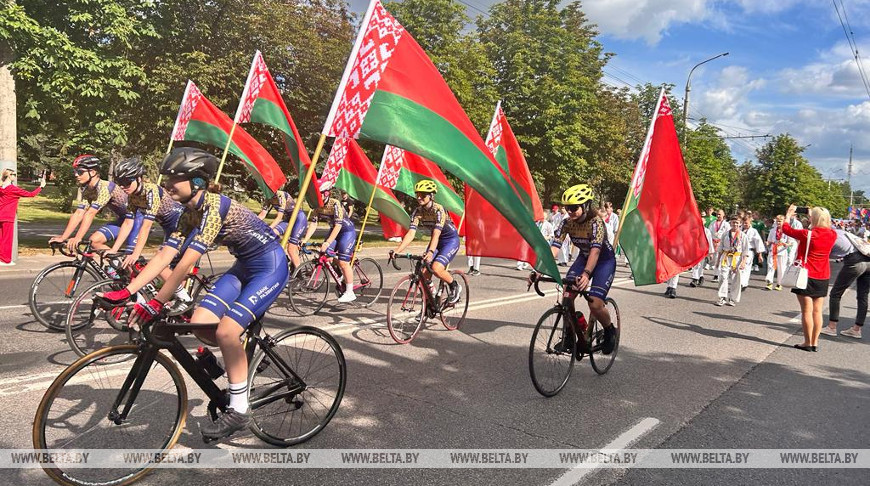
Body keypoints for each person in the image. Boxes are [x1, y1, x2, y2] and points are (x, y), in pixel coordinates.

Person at [97, 148, 289, 440]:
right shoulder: (189, 212)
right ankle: (238, 359)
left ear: (197, 182)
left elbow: (186, 263)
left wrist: (157, 302)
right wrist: (127, 291)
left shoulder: (214, 207)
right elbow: (165, 256)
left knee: (226, 332)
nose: (167, 185)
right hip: (244, 266)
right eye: (166, 179)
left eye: (175, 179)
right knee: (201, 323)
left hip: (270, 266)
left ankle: (239, 410)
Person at [548, 184, 616, 354]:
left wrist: (586, 274)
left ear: (585, 205)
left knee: (594, 303)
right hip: (584, 258)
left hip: (603, 262)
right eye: (567, 208)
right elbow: (555, 247)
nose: (569, 211)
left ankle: (610, 331)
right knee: (567, 294)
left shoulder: (596, 223)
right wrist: (540, 269)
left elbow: (595, 251)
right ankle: (570, 335)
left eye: (573, 207)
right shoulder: (567, 223)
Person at [391, 180, 462, 304]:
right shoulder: (418, 212)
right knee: (424, 273)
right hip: (436, 242)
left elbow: (436, 233)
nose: (419, 197)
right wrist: (398, 250)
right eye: (417, 194)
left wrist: (430, 252)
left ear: (431, 196)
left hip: (449, 241)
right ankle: (431, 301)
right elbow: (411, 233)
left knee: (436, 268)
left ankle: (454, 286)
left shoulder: (438, 209)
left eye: (423, 195)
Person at [49, 155, 135, 254]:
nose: (76, 175)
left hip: (136, 220)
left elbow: (90, 213)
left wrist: (78, 238)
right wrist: (63, 237)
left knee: (130, 259)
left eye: (80, 172)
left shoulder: (106, 188)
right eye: (75, 172)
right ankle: (115, 266)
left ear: (93, 172)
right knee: (94, 241)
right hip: (123, 220)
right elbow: (79, 213)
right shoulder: (88, 190)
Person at [781, 205, 837, 352]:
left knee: (806, 311)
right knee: (817, 311)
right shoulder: (832, 234)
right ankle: (815, 342)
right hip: (823, 275)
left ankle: (807, 342)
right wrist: (814, 215)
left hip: (806, 274)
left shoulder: (808, 234)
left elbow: (786, 229)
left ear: (814, 219)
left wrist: (788, 215)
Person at [302, 181, 358, 303]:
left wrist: (327, 242)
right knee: (326, 256)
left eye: (319, 194)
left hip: (346, 232)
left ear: (326, 193)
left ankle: (350, 292)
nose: (316, 197)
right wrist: (305, 240)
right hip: (335, 231)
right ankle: (343, 274)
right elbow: (314, 223)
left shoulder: (335, 204)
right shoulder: (317, 206)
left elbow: (338, 226)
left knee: (343, 261)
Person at [821, 228, 870, 340]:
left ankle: (832, 327)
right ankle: (857, 329)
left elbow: (826, 254)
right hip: (868, 259)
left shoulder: (829, 235)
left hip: (854, 261)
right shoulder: (841, 232)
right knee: (863, 295)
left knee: (835, 293)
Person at [0, 169, 46, 264]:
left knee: (1, 239)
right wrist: (41, 187)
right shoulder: (13, 189)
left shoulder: (1, 188)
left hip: (1, 215)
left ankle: (1, 258)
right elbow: (31, 194)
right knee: (7, 239)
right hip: (8, 217)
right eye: (14, 174)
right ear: (9, 176)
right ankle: (6, 260)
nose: (15, 176)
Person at [262, 189, 308, 269]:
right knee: (273, 233)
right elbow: (262, 214)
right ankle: (283, 255)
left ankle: (299, 273)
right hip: (288, 220)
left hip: (298, 219)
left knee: (291, 248)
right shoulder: (268, 197)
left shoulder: (280, 195)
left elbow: (279, 217)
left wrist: (268, 228)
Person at [716, 215, 749, 306]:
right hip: (726, 257)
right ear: (730, 223)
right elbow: (720, 248)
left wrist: (743, 262)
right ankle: (722, 297)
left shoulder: (743, 236)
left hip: (737, 258)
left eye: (737, 223)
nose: (735, 224)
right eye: (733, 222)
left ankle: (733, 298)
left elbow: (745, 250)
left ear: (740, 224)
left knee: (735, 279)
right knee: (723, 276)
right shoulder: (725, 234)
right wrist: (718, 260)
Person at [740, 215, 766, 292]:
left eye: (746, 223)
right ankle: (739, 282)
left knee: (746, 268)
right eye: (743, 223)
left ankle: (743, 283)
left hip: (749, 251)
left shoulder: (753, 231)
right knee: (739, 268)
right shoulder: (739, 230)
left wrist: (760, 255)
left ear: (750, 222)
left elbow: (758, 243)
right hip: (739, 251)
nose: (745, 224)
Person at [765, 215, 789, 291]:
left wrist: (786, 244)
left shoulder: (787, 231)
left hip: (782, 250)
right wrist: (767, 243)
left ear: (783, 221)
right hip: (773, 249)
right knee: (770, 265)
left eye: (780, 221)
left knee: (781, 267)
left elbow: (790, 243)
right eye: (777, 221)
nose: (778, 222)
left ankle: (779, 283)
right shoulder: (772, 230)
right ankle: (769, 282)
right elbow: (769, 240)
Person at [708, 210, 730, 281]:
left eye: (720, 214)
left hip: (721, 243)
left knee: (719, 259)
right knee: (714, 260)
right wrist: (711, 242)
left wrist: (723, 243)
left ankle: (716, 275)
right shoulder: (712, 223)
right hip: (713, 242)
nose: (718, 216)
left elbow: (728, 235)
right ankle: (716, 273)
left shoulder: (726, 224)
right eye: (717, 214)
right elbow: (709, 233)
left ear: (723, 215)